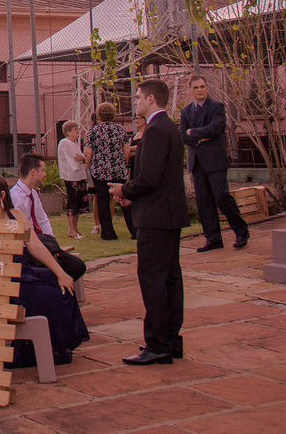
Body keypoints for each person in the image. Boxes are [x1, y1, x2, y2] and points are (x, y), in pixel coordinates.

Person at [0, 173, 89, 367]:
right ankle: (38, 349)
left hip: (22, 270)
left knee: (62, 284)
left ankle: (60, 344)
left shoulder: (16, 215)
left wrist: (61, 273)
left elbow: (35, 246)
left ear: (2, 195)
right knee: (49, 296)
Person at [112, 79, 188, 365]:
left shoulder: (156, 130)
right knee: (169, 278)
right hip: (167, 213)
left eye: (139, 97)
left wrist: (124, 190)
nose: (135, 101)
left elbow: (150, 176)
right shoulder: (169, 127)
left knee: (154, 279)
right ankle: (170, 339)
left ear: (152, 99)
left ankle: (157, 344)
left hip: (156, 217)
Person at [181, 75, 249, 251]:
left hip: (215, 161)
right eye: (196, 87)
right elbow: (182, 135)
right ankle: (213, 238)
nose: (200, 90)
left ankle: (241, 231)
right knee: (204, 201)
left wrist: (192, 132)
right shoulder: (186, 111)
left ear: (206, 88)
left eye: (202, 86)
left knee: (222, 197)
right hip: (197, 162)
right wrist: (199, 138)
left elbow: (214, 128)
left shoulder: (216, 107)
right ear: (190, 90)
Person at [10, 153, 87, 281]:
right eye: (43, 170)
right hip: (27, 248)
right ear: (33, 172)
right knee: (56, 271)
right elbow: (21, 234)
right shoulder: (15, 197)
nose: (45, 174)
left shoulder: (33, 193)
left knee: (77, 266)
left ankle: (60, 290)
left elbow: (42, 219)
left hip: (43, 243)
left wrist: (52, 243)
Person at [84, 102, 131, 240]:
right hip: (118, 169)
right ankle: (134, 229)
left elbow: (88, 153)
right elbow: (126, 150)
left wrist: (89, 167)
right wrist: (123, 163)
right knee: (124, 199)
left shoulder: (93, 131)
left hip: (100, 171)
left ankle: (108, 233)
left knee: (103, 201)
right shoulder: (120, 129)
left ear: (98, 115)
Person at [56, 121, 88, 239]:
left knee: (79, 202)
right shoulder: (65, 143)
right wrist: (83, 159)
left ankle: (75, 228)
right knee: (73, 202)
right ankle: (71, 229)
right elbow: (75, 159)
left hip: (80, 175)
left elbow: (81, 157)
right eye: (75, 129)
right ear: (68, 131)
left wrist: (83, 159)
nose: (78, 132)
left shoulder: (74, 143)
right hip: (71, 176)